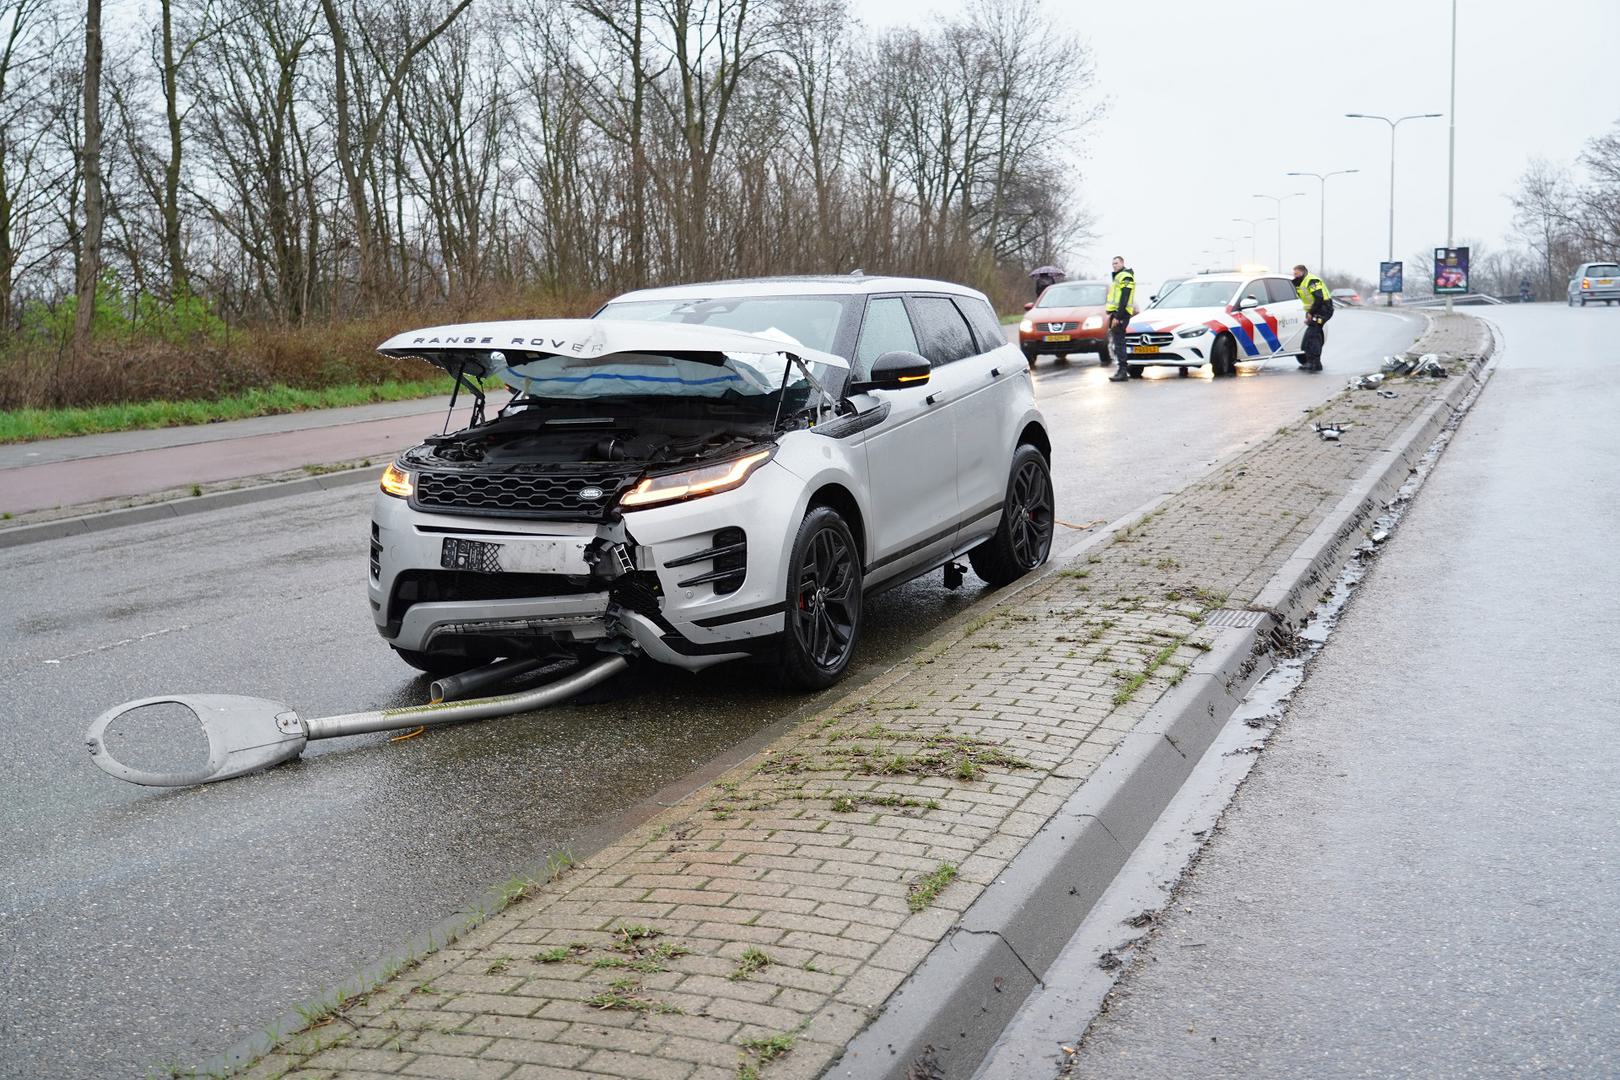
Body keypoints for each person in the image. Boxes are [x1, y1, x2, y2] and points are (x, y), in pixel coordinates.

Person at [1292, 264, 1332, 372]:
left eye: (1296, 273)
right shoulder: (1300, 283)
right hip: (1315, 311)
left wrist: (1311, 312)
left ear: (1302, 272)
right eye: (1294, 273)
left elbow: (1319, 298)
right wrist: (1308, 314)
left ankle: (1315, 364)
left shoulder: (1312, 281)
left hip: (1323, 309)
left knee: (1313, 336)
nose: (1294, 276)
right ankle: (1312, 362)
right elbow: (1308, 301)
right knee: (1310, 337)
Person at [1105, 256, 1136, 382]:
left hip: (1121, 314)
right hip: (1116, 314)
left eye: (1116, 263)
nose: (1114, 265)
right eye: (1113, 264)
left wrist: (1118, 316)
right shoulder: (1118, 276)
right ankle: (1121, 370)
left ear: (1122, 263)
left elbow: (1125, 297)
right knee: (1117, 343)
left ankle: (1122, 371)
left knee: (1120, 343)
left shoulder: (1125, 276)